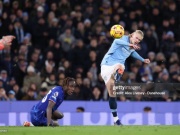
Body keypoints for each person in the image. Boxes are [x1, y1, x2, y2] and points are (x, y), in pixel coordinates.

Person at [100, 30, 150, 125]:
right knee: (120, 66)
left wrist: (143, 59)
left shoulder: (132, 46)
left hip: (114, 70)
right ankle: (117, 75)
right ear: (131, 35)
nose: (137, 40)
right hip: (107, 65)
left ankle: (116, 120)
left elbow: (132, 52)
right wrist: (130, 45)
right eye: (136, 38)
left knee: (112, 93)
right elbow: (115, 41)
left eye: (139, 40)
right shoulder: (123, 38)